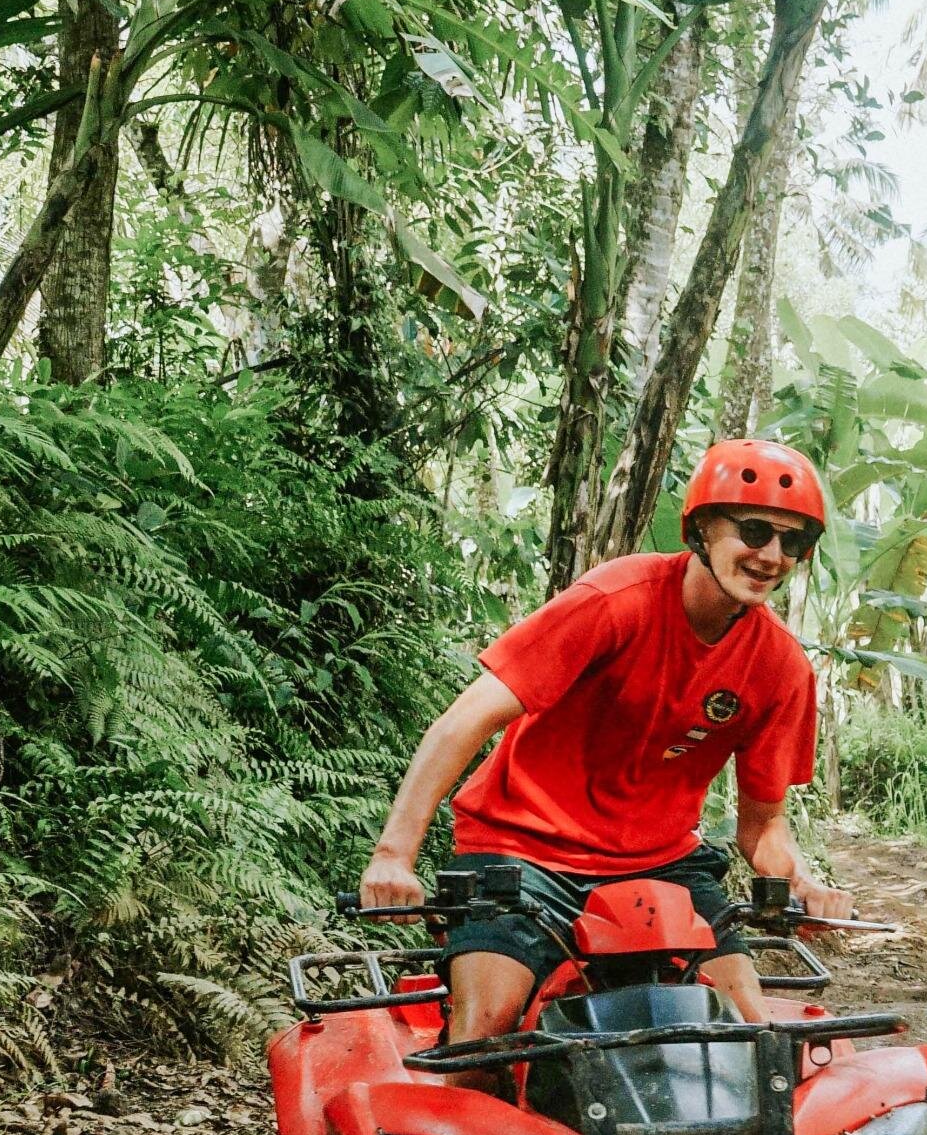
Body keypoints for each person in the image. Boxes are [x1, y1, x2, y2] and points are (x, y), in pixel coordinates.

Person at [360, 439, 854, 1044]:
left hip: (663, 863)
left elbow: (764, 825)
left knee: (750, 1032)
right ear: (701, 528)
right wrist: (393, 856)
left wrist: (803, 883)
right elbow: (463, 721)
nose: (771, 555)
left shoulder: (781, 666)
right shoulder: (617, 601)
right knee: (485, 1031)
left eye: (793, 541)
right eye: (754, 531)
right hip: (523, 850)